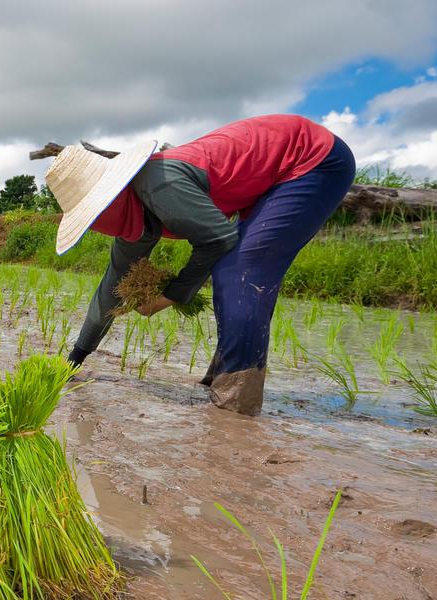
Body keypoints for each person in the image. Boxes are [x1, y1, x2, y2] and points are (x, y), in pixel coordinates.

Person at [48, 114, 355, 416]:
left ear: (112, 197)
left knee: (238, 270)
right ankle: (222, 380)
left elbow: (218, 239)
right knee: (238, 271)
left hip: (312, 160)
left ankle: (235, 407)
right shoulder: (133, 225)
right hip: (270, 179)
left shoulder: (159, 185)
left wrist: (170, 295)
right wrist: (75, 359)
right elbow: (109, 292)